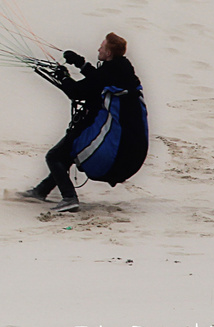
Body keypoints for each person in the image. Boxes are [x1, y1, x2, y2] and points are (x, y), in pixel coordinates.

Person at [17, 33, 137, 212]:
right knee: (66, 155)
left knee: (55, 156)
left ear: (109, 53)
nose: (98, 49)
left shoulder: (109, 72)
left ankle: (69, 198)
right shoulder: (120, 67)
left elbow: (78, 92)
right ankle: (41, 191)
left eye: (102, 47)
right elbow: (97, 79)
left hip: (95, 124)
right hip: (103, 122)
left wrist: (64, 77)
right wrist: (81, 64)